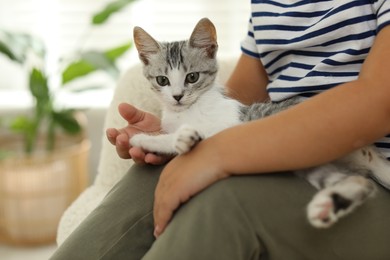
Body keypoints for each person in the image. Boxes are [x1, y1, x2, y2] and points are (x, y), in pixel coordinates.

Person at [51, 1, 390, 259]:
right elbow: (240, 102)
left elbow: (379, 104)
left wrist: (218, 154)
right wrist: (186, 125)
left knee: (224, 203)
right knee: (149, 178)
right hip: (282, 153)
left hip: (375, 175)